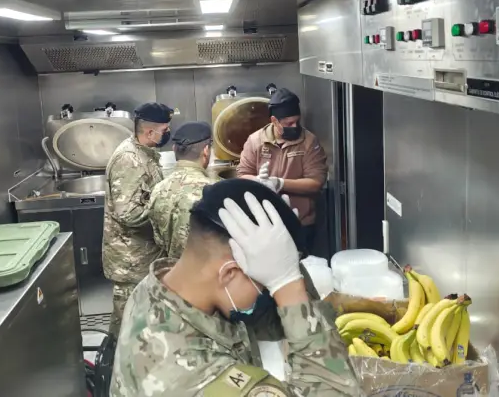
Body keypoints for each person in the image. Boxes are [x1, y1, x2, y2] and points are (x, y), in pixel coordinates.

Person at [110, 179, 362, 397]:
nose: (269, 292)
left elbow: (267, 319)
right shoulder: (192, 375)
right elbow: (337, 389)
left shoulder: (161, 285)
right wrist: (287, 285)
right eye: (265, 284)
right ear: (229, 273)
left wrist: (288, 257)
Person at [102, 101, 173, 337]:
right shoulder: (129, 160)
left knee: (141, 324)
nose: (168, 133)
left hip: (144, 255)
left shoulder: (145, 153)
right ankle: (112, 359)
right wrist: (164, 208)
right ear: (150, 132)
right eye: (165, 130)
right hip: (131, 261)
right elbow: (128, 213)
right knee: (126, 326)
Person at [237, 88, 327, 256]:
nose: (295, 127)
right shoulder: (255, 141)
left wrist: (279, 183)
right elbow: (242, 175)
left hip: (300, 222)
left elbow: (316, 183)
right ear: (274, 121)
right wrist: (259, 181)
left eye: (297, 121)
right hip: (264, 224)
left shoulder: (308, 142)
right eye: (288, 124)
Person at [148, 121, 220, 260]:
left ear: (174, 149)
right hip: (207, 270)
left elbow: (159, 240)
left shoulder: (158, 189)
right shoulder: (212, 191)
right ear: (206, 150)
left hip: (173, 269)